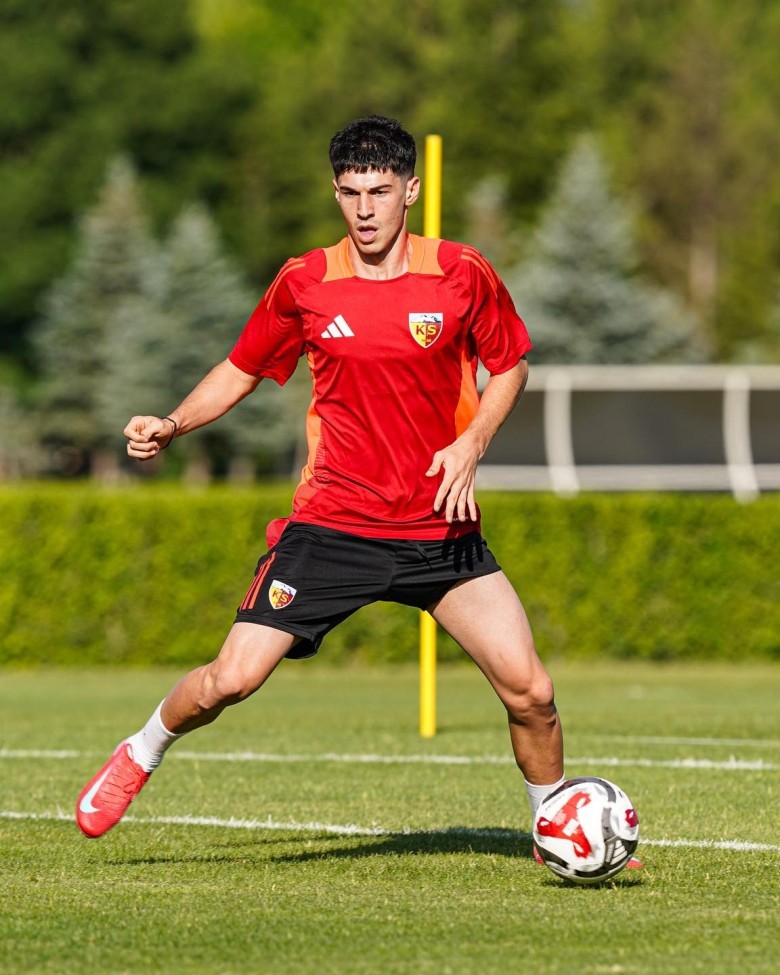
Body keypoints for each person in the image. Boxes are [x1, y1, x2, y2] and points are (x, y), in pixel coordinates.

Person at [76, 114, 567, 852]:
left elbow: (512, 363)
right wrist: (174, 423)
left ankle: (559, 826)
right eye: (349, 192)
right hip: (334, 526)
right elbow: (241, 368)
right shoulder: (306, 281)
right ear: (336, 193)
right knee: (231, 680)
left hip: (439, 528)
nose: (364, 209)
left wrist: (473, 442)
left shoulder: (462, 272)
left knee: (532, 693)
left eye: (379, 191)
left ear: (410, 190)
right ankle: (142, 749)